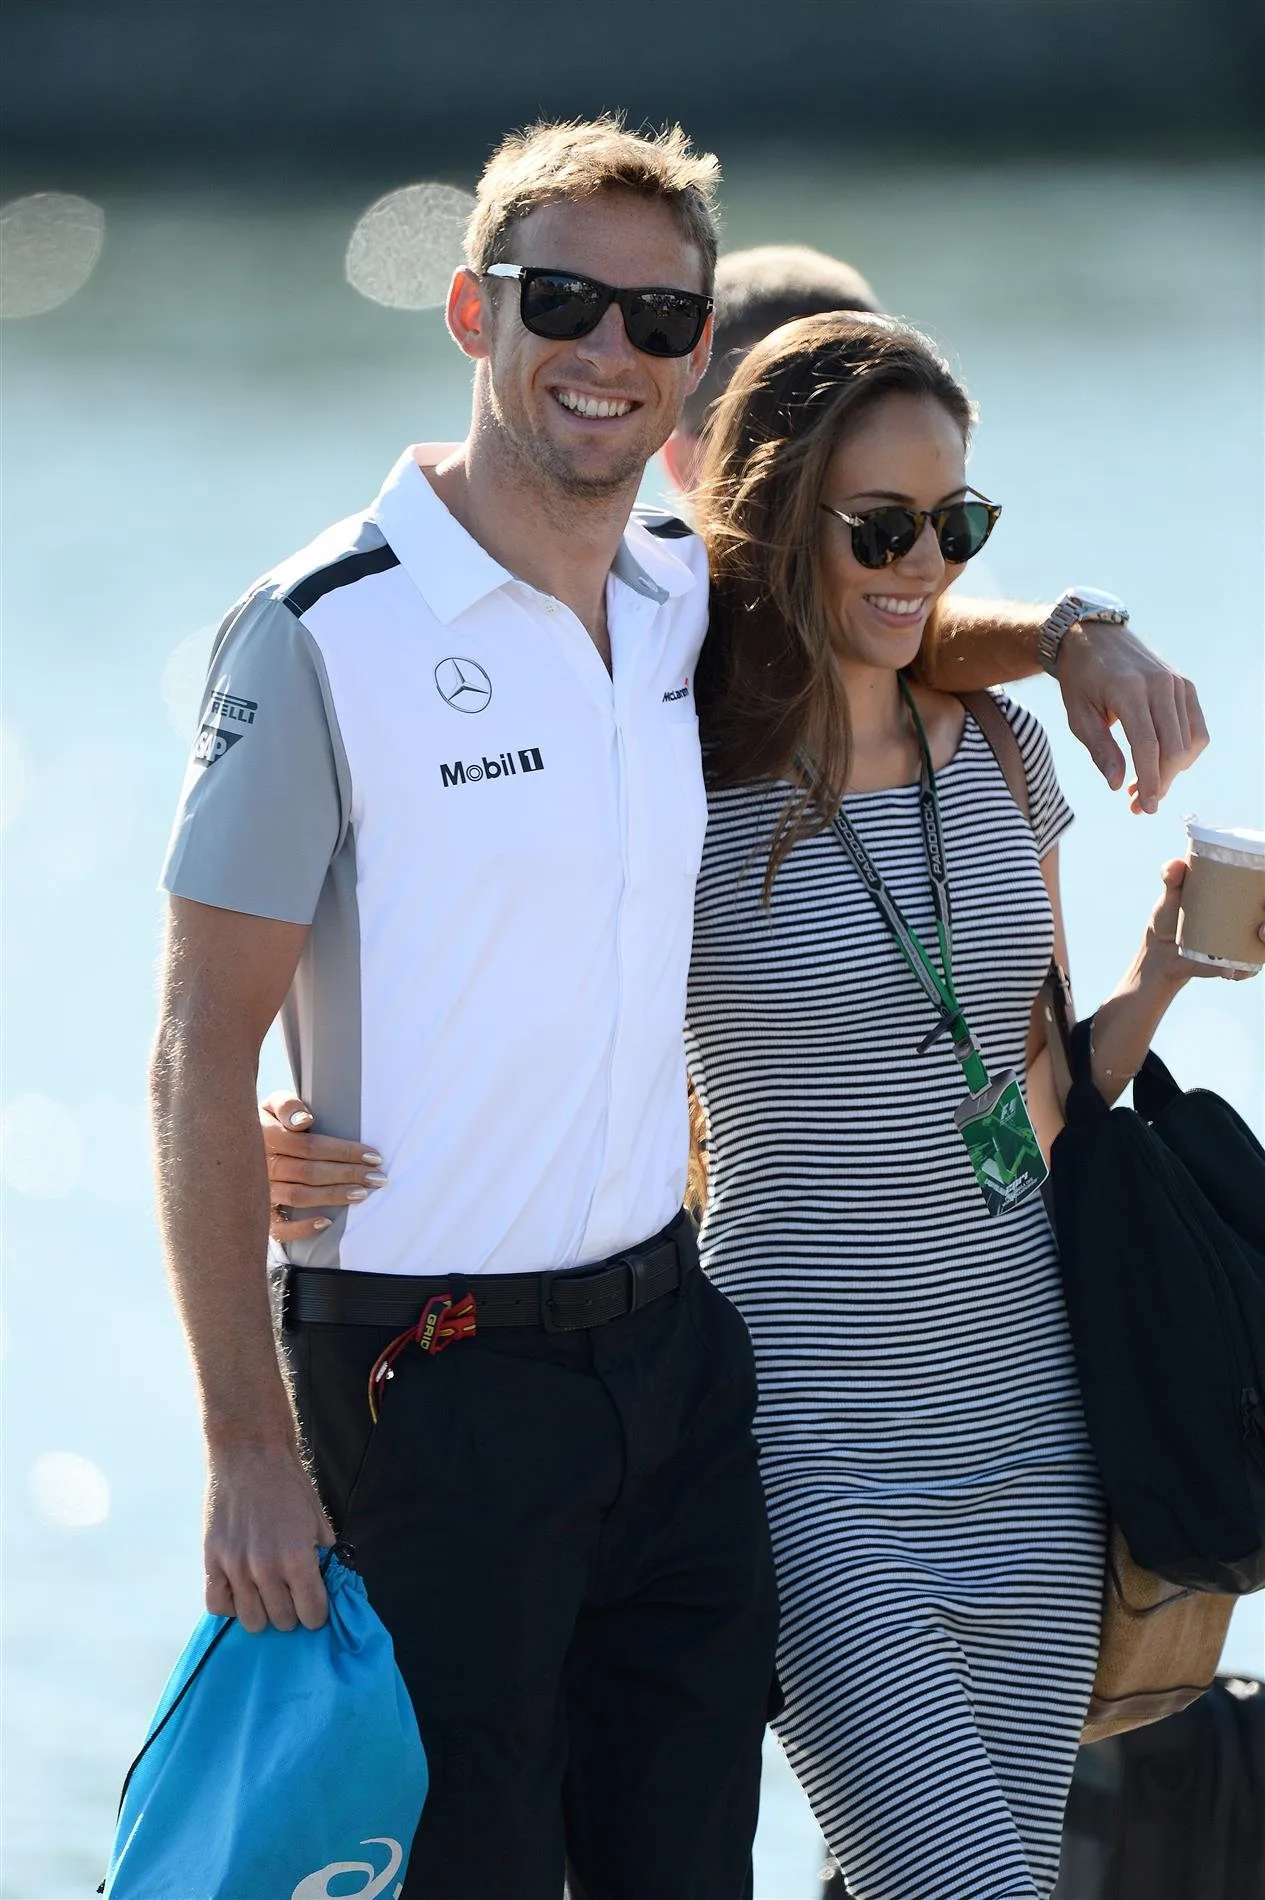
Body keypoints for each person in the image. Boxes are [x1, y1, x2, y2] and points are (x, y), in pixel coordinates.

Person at [154, 119, 1206, 1898]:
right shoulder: (341, 627)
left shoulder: (664, 611)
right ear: (474, 314)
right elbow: (197, 1045)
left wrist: (1080, 631)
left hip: (730, 1377)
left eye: (658, 318)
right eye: (564, 299)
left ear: (697, 356)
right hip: (469, 1378)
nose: (611, 349)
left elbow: (894, 621)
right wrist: (248, 1422)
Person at [682, 309, 1252, 1900]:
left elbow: (1043, 1095)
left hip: (1032, 1419)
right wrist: (315, 1130)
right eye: (881, 526)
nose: (921, 564)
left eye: (957, 524)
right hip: (816, 1444)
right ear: (783, 515)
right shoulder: (671, 789)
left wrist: (1158, 978)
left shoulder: (999, 752)